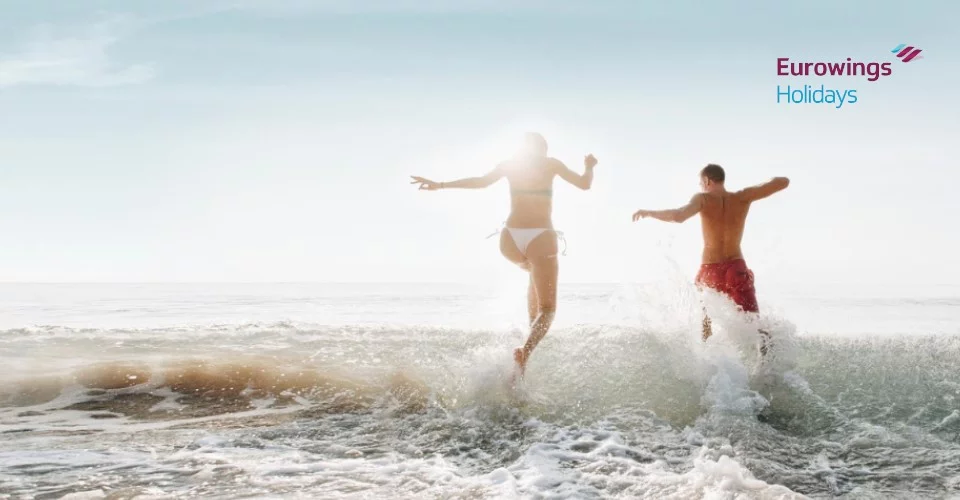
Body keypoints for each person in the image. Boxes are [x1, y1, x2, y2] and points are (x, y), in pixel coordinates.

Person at [410, 133, 598, 378]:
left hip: (509, 239)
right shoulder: (551, 163)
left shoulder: (510, 165)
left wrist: (441, 184)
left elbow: (480, 182)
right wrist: (589, 167)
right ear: (543, 148)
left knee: (534, 274)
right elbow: (585, 184)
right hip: (540, 235)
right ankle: (524, 351)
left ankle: (522, 365)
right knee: (549, 309)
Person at [631, 164, 789, 354]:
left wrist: (649, 213)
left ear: (707, 181)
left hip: (710, 272)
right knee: (755, 324)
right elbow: (782, 182)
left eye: (701, 183)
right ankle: (767, 372)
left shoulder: (703, 199)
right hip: (735, 268)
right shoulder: (742, 197)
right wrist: (760, 186)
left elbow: (678, 216)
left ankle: (708, 363)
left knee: (706, 321)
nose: (701, 186)